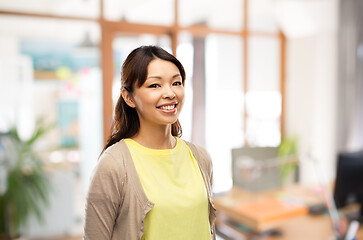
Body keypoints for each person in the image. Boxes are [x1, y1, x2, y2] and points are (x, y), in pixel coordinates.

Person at [84, 45, 216, 240]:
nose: (170, 93)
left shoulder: (200, 157)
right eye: (155, 85)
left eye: (176, 83)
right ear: (129, 97)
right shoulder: (113, 165)